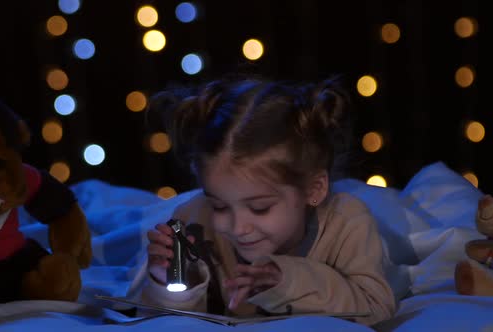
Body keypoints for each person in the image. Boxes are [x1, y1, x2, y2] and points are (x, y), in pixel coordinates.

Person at [140, 76, 396, 326]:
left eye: (259, 208)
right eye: (219, 206)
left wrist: (288, 283)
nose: (238, 227)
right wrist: (172, 280)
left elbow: (376, 308)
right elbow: (165, 321)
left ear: (313, 189)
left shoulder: (347, 223)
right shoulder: (192, 221)